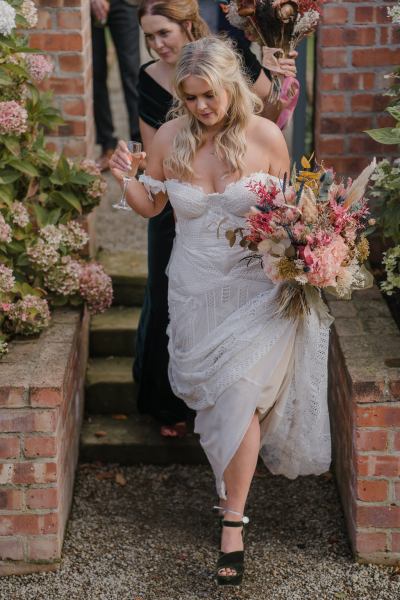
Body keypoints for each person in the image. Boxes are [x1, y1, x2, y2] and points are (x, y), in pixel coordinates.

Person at [109, 36, 331, 586]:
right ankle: (228, 488)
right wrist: (127, 179)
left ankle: (233, 521)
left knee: (237, 392)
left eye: (208, 95)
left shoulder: (266, 135)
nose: (201, 108)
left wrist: (318, 248)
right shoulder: (170, 137)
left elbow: (294, 211)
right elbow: (153, 206)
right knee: (214, 405)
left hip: (256, 288)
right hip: (193, 288)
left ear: (230, 85)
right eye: (190, 99)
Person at [134, 0, 298, 438]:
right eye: (149, 37)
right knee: (163, 297)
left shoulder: (234, 57)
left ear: (186, 24)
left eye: (163, 33)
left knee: (240, 359)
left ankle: (236, 431)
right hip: (181, 199)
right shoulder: (151, 79)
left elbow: (273, 102)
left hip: (243, 235)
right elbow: (154, 156)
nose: (156, 44)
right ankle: (169, 406)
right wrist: (148, 181)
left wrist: (279, 71)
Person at [90, 0, 141, 171]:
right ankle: (107, 147)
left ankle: (139, 148)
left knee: (132, 73)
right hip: (88, 6)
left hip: (125, 3)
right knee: (95, 74)